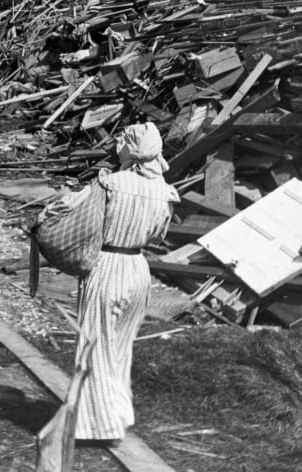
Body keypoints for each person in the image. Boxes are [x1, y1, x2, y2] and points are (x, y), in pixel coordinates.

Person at [72, 122, 179, 443]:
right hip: (138, 267)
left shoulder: (110, 183)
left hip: (108, 264)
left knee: (95, 345)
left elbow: (83, 221)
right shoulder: (165, 190)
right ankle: (118, 414)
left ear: (129, 148)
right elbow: (159, 234)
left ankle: (98, 426)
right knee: (120, 347)